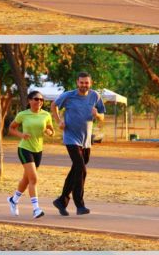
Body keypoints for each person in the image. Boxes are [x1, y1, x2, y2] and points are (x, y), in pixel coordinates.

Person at [51, 72, 105, 216]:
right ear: (77, 82)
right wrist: (59, 121)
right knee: (81, 169)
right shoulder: (68, 95)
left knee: (76, 169)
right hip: (71, 138)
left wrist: (97, 115)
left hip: (86, 140)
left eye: (86, 83)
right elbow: (54, 105)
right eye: (81, 82)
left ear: (90, 83)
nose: (83, 85)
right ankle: (79, 204)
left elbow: (102, 117)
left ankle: (62, 200)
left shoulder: (95, 96)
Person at [7, 91, 54, 219]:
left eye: (41, 100)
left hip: (38, 150)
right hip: (24, 148)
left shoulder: (46, 115)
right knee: (34, 179)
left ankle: (14, 200)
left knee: (27, 179)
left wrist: (49, 132)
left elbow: (51, 130)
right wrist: (22, 135)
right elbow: (11, 128)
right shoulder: (23, 114)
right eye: (36, 99)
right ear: (29, 100)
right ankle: (36, 209)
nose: (39, 102)